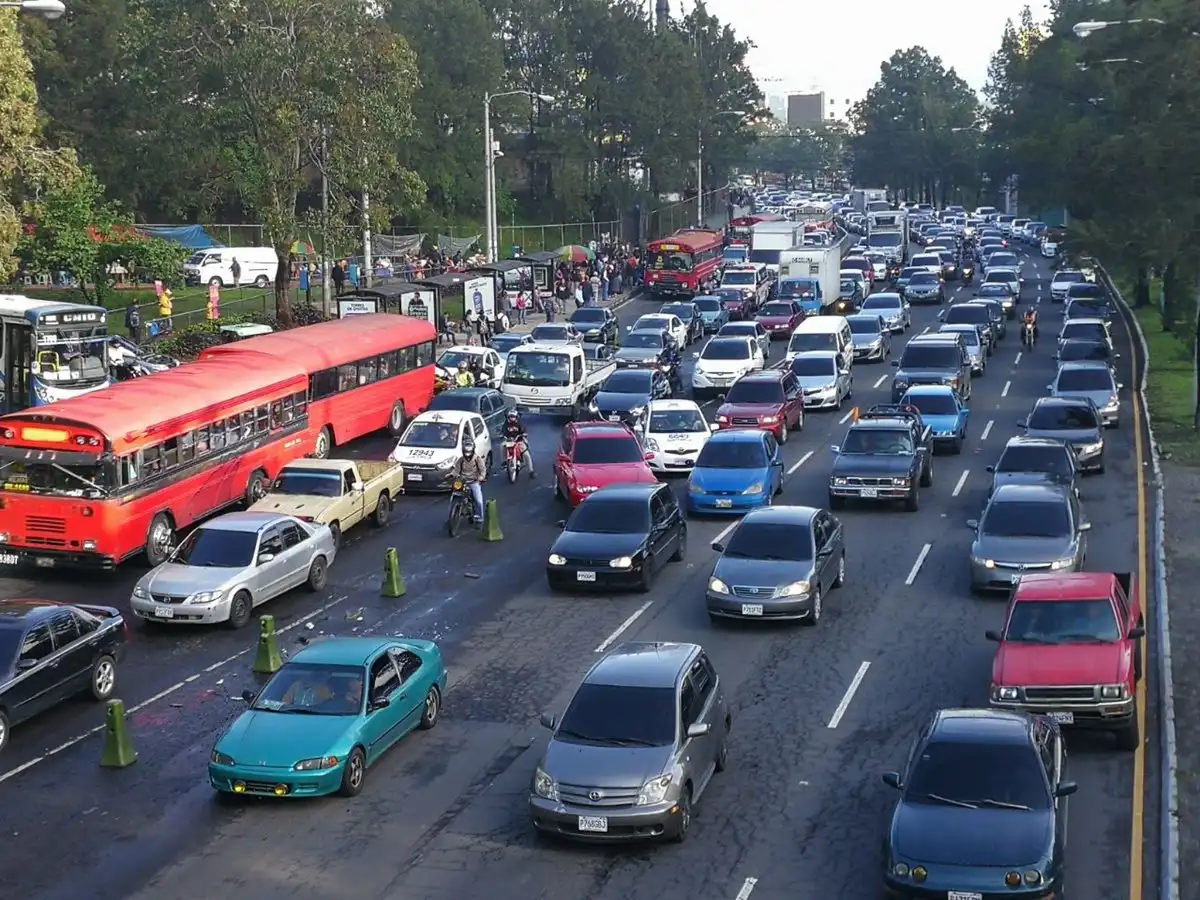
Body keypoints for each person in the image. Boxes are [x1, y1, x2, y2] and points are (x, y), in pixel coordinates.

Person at [452, 439, 487, 523]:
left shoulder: (477, 459)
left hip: (473, 481)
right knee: (453, 496)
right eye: (465, 452)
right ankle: (452, 515)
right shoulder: (460, 460)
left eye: (469, 452)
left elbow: (483, 470)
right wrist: (453, 474)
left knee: (478, 500)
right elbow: (456, 470)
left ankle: (480, 516)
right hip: (462, 481)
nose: (467, 454)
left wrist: (481, 477)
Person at [500, 409, 535, 478]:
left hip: (519, 441)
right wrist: (502, 435)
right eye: (510, 416)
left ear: (516, 417)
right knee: (502, 446)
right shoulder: (506, 424)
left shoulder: (519, 424)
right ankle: (504, 461)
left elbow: (523, 430)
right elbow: (502, 431)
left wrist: (523, 434)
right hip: (509, 441)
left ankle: (531, 471)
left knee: (526, 455)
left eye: (513, 416)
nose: (512, 418)